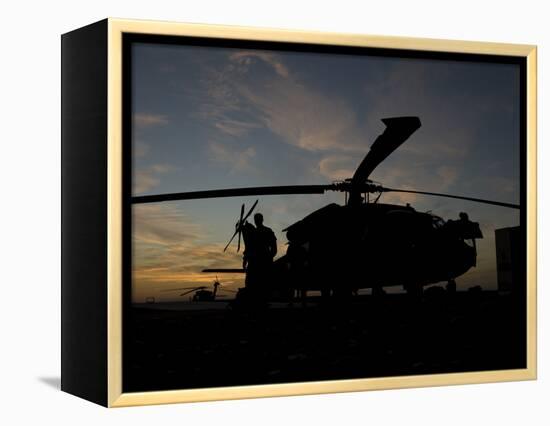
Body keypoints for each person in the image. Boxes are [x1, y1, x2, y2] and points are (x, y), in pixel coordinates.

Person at [242, 213, 277, 296]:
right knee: (252, 283)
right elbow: (248, 247)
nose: (257, 221)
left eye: (258, 219)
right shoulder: (254, 232)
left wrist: (269, 259)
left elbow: (274, 249)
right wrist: (245, 259)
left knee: (261, 283)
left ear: (261, 220)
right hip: (254, 262)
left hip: (262, 262)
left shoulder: (267, 231)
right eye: (256, 219)